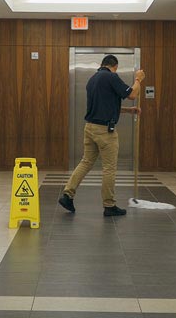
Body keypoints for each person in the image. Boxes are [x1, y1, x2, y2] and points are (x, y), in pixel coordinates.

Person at [58, 54, 145, 216]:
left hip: (90, 128)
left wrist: (128, 111)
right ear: (115, 66)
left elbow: (105, 105)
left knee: (85, 162)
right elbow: (132, 94)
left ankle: (67, 194)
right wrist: (138, 79)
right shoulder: (111, 77)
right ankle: (109, 205)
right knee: (109, 168)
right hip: (105, 131)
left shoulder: (92, 80)